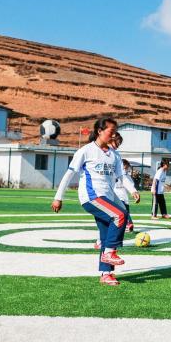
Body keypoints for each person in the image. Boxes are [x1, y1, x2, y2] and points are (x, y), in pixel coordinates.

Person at [51, 117, 137, 286]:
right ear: (99, 131)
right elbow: (69, 174)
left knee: (106, 235)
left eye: (114, 132)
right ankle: (110, 252)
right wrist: (58, 197)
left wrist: (132, 190)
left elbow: (121, 176)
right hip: (91, 196)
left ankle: (106, 274)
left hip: (107, 196)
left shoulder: (114, 155)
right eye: (110, 132)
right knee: (120, 215)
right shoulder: (86, 150)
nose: (113, 136)